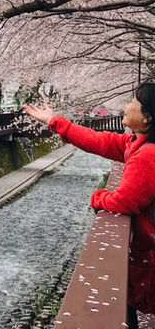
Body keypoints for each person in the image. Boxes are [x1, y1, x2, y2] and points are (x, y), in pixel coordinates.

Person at [24, 83, 155, 328]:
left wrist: (98, 197)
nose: (127, 105)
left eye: (133, 101)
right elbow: (98, 140)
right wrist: (55, 121)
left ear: (147, 116)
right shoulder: (137, 144)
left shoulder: (148, 154)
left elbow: (124, 202)